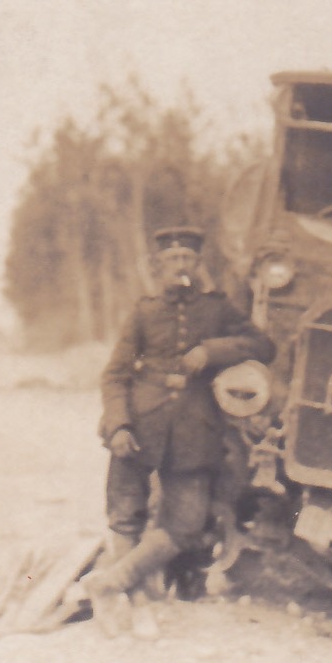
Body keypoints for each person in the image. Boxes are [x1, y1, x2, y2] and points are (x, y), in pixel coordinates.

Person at [85, 226, 274, 635]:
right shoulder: (143, 311)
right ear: (159, 267)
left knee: (187, 522)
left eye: (187, 259)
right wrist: (118, 423)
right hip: (140, 422)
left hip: (195, 427)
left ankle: (114, 582)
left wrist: (212, 351)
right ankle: (132, 600)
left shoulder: (217, 310)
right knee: (124, 513)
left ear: (198, 265)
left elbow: (263, 346)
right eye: (172, 261)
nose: (180, 267)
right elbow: (114, 375)